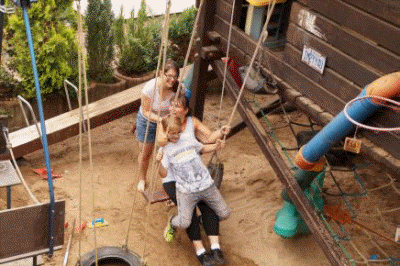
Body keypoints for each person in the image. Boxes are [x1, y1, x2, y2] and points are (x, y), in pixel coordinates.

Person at [157, 95, 231, 266]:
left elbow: (207, 140)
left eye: (177, 106)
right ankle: (200, 249)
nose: (173, 109)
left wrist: (221, 133)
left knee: (208, 207)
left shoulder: (192, 123)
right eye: (171, 106)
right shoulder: (165, 124)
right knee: (188, 215)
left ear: (185, 110)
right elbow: (161, 141)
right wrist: (169, 137)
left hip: (196, 176)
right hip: (173, 179)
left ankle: (215, 247)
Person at [133, 59, 180, 192]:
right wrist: (161, 119)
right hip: (147, 120)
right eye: (169, 75)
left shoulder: (177, 89)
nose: (172, 79)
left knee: (168, 152)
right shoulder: (150, 88)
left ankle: (170, 179)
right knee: (145, 153)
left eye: (175, 76)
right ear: (161, 73)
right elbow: (147, 111)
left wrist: (174, 111)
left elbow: (180, 106)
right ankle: (142, 179)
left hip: (165, 121)